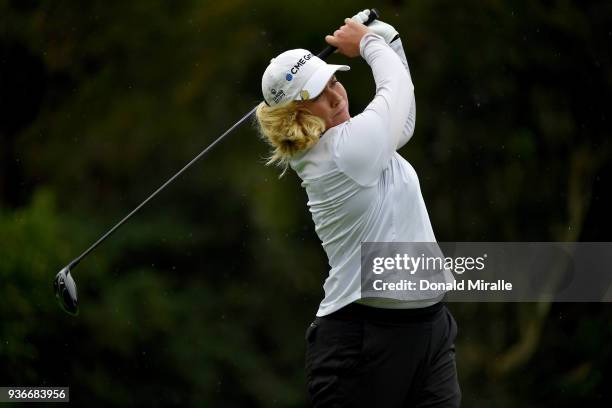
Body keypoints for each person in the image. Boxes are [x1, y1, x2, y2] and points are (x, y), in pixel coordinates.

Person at [254, 10, 461, 408]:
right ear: (296, 116)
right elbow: (395, 93)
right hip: (361, 341)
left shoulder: (357, 142)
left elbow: (402, 118)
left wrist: (389, 40)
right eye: (317, 96)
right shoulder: (340, 152)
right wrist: (368, 42)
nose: (336, 95)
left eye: (333, 80)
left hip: (428, 330)